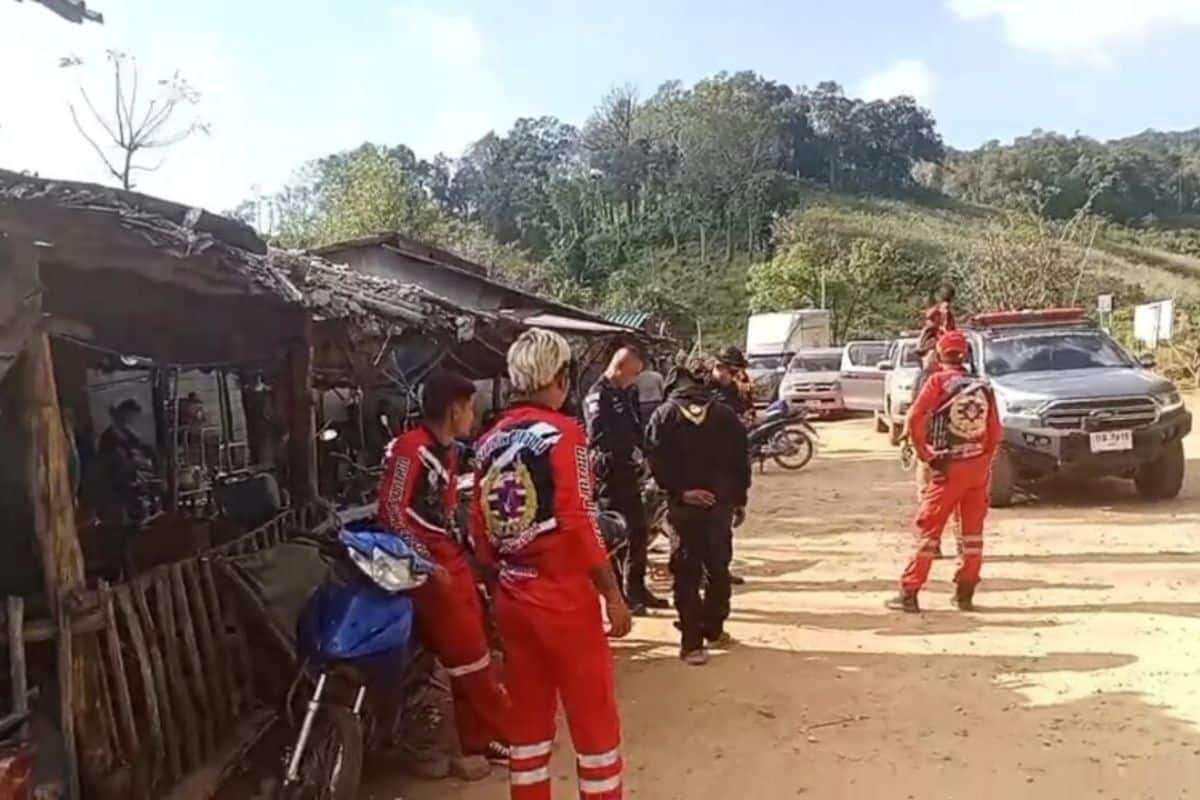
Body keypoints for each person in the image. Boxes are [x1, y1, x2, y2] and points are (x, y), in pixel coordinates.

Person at [472, 328, 632, 800]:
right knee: (594, 723)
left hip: (511, 595)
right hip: (563, 598)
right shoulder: (565, 434)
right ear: (561, 377)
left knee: (528, 725)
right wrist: (613, 595)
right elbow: (580, 520)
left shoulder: (488, 441)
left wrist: (496, 583)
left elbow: (479, 526)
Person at [376, 369, 510, 773]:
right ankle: (498, 732)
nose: (473, 415)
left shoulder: (448, 450)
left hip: (450, 557)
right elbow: (391, 512)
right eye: (470, 407)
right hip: (429, 568)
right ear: (454, 410)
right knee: (467, 652)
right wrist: (425, 562)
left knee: (479, 648)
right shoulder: (409, 448)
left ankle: (481, 737)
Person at [887, 331, 1001, 613]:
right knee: (972, 535)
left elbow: (915, 417)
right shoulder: (983, 386)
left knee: (928, 530)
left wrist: (925, 454)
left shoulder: (937, 382)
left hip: (947, 467)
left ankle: (909, 591)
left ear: (939, 354)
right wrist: (984, 460)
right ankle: (965, 593)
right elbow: (995, 431)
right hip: (977, 468)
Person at [646, 365, 751, 666]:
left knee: (687, 572)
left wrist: (680, 492)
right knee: (718, 567)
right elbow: (741, 461)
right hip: (720, 504)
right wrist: (738, 500)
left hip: (685, 508)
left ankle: (692, 643)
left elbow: (655, 460)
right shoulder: (725, 415)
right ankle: (714, 628)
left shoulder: (663, 415)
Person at [585, 346, 669, 615]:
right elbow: (597, 436)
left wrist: (643, 453)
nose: (635, 379)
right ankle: (620, 596)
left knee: (638, 532)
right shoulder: (598, 394)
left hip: (630, 472)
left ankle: (637, 589)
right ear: (620, 368)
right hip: (610, 475)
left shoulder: (628, 391)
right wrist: (624, 452)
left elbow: (635, 427)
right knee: (616, 536)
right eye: (633, 373)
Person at [707, 346, 751, 420]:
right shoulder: (699, 388)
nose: (738, 376)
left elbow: (740, 410)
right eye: (733, 372)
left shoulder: (731, 388)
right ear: (719, 367)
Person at [632, 363, 666, 431]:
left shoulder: (637, 378)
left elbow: (634, 392)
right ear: (650, 366)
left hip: (643, 404)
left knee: (645, 424)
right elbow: (663, 390)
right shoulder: (658, 376)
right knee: (659, 424)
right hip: (657, 403)